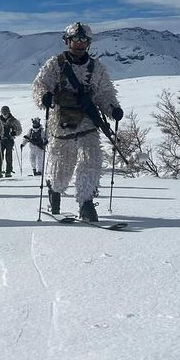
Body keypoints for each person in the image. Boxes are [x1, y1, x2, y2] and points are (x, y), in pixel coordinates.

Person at [32, 22, 123, 222]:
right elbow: (40, 84)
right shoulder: (55, 64)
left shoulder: (96, 68)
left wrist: (112, 108)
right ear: (68, 41)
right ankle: (54, 191)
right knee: (61, 168)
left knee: (91, 162)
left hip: (88, 124)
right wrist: (44, 96)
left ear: (88, 43)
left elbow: (104, 92)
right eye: (76, 40)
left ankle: (86, 202)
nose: (79, 44)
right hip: (61, 123)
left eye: (83, 40)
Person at [0, 105, 22, 177]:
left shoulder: (14, 120)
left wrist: (15, 133)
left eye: (6, 113)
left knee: (9, 156)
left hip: (9, 140)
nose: (4, 114)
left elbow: (19, 130)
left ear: (9, 112)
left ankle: (8, 171)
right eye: (3, 113)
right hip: (1, 140)